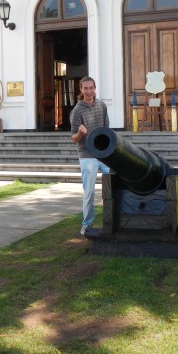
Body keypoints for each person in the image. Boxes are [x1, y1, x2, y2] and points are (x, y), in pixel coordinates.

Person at [70, 76, 111, 236]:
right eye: (85, 88)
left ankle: (115, 219)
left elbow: (106, 129)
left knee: (115, 185)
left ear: (95, 88)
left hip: (104, 154)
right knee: (89, 192)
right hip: (87, 156)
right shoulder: (77, 111)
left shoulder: (102, 105)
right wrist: (80, 133)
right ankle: (86, 224)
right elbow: (73, 138)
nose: (88, 91)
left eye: (91, 88)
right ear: (81, 90)